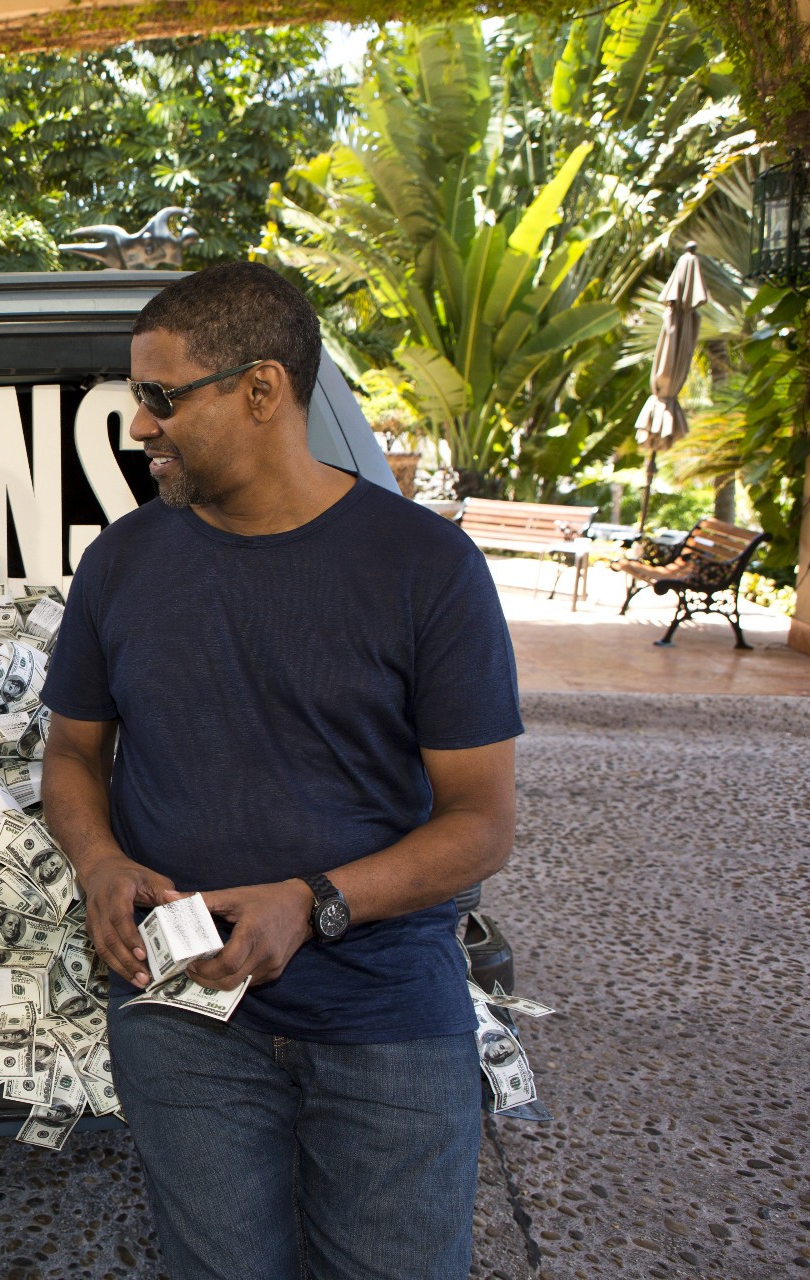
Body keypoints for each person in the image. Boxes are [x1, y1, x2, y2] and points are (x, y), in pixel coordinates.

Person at [40, 262, 520, 1280]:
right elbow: (75, 751)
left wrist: (315, 901)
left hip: (387, 1019)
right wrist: (98, 860)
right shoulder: (122, 564)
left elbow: (481, 821)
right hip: (185, 1025)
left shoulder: (427, 568)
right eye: (137, 398)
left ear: (262, 390)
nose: (139, 425)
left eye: (162, 398)